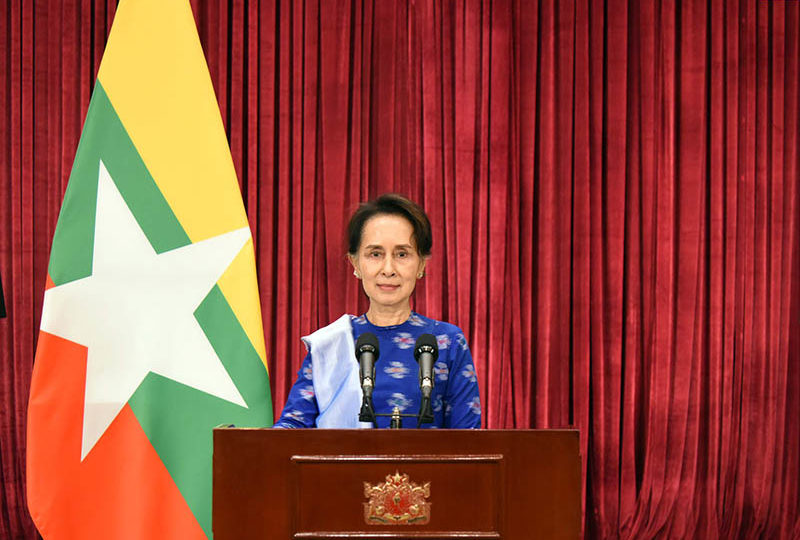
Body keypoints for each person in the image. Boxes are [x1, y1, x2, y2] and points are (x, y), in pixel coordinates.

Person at [274, 194, 481, 429]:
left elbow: (468, 441)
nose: (388, 269)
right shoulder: (332, 345)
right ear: (355, 264)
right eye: (375, 254)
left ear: (422, 264)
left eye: (402, 254)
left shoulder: (447, 342)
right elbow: (291, 430)